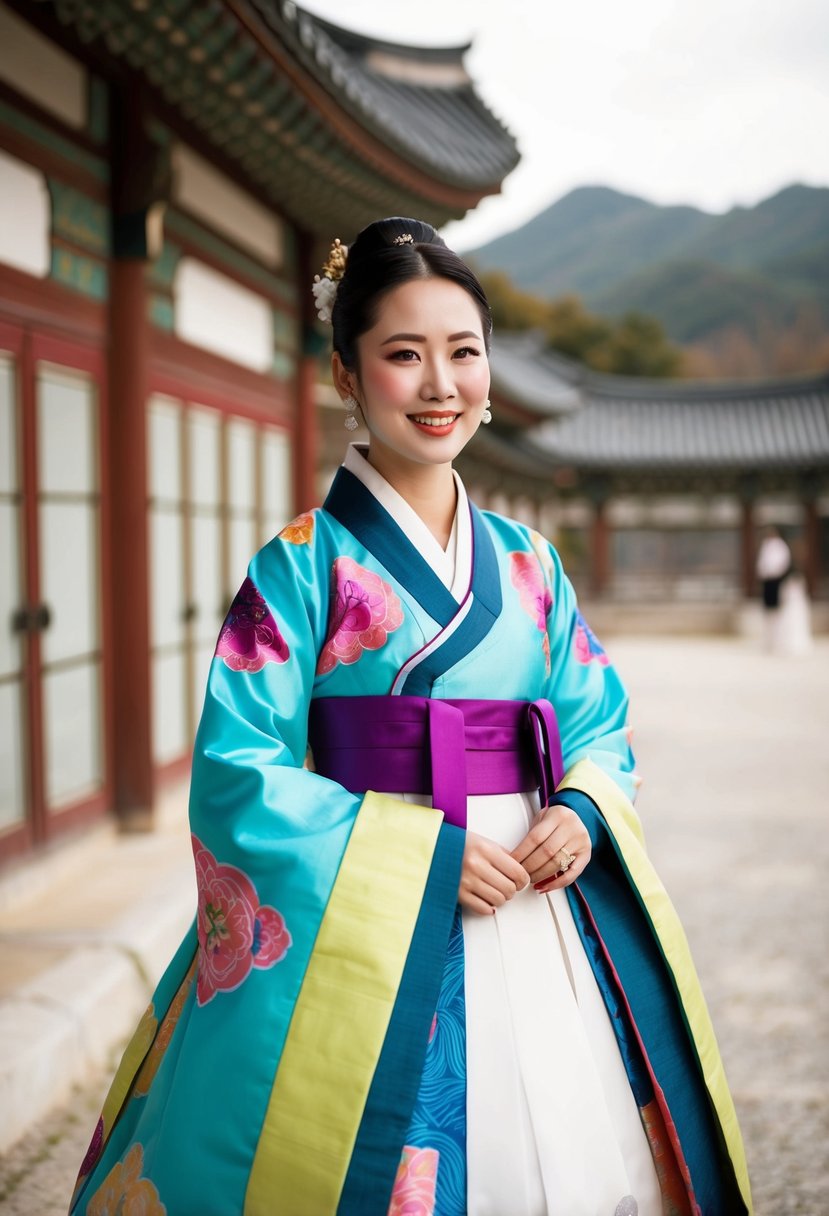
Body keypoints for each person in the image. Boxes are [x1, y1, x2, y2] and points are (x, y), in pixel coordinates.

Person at [70, 219, 752, 1216]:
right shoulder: (299, 564)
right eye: (403, 354)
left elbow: (596, 712)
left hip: (530, 888)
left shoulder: (527, 561)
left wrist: (583, 803)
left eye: (463, 351)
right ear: (345, 373)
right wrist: (415, 852)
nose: (441, 384)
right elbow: (236, 766)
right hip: (374, 905)